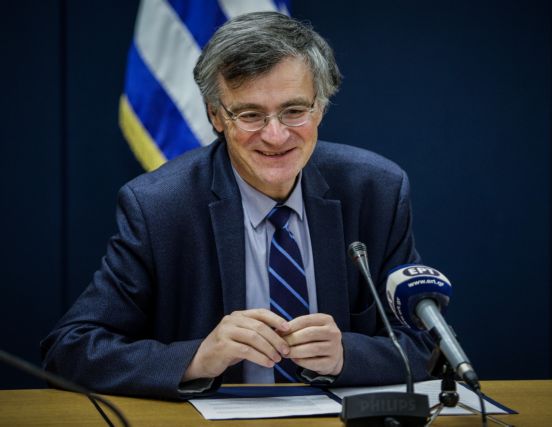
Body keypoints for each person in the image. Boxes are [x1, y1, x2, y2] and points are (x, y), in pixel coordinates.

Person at [41, 11, 433, 400]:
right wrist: (198, 358)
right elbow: (71, 350)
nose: (276, 135)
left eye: (294, 111)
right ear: (216, 115)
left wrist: (347, 355)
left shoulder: (374, 191)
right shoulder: (160, 206)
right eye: (250, 115)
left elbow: (424, 344)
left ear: (320, 108)